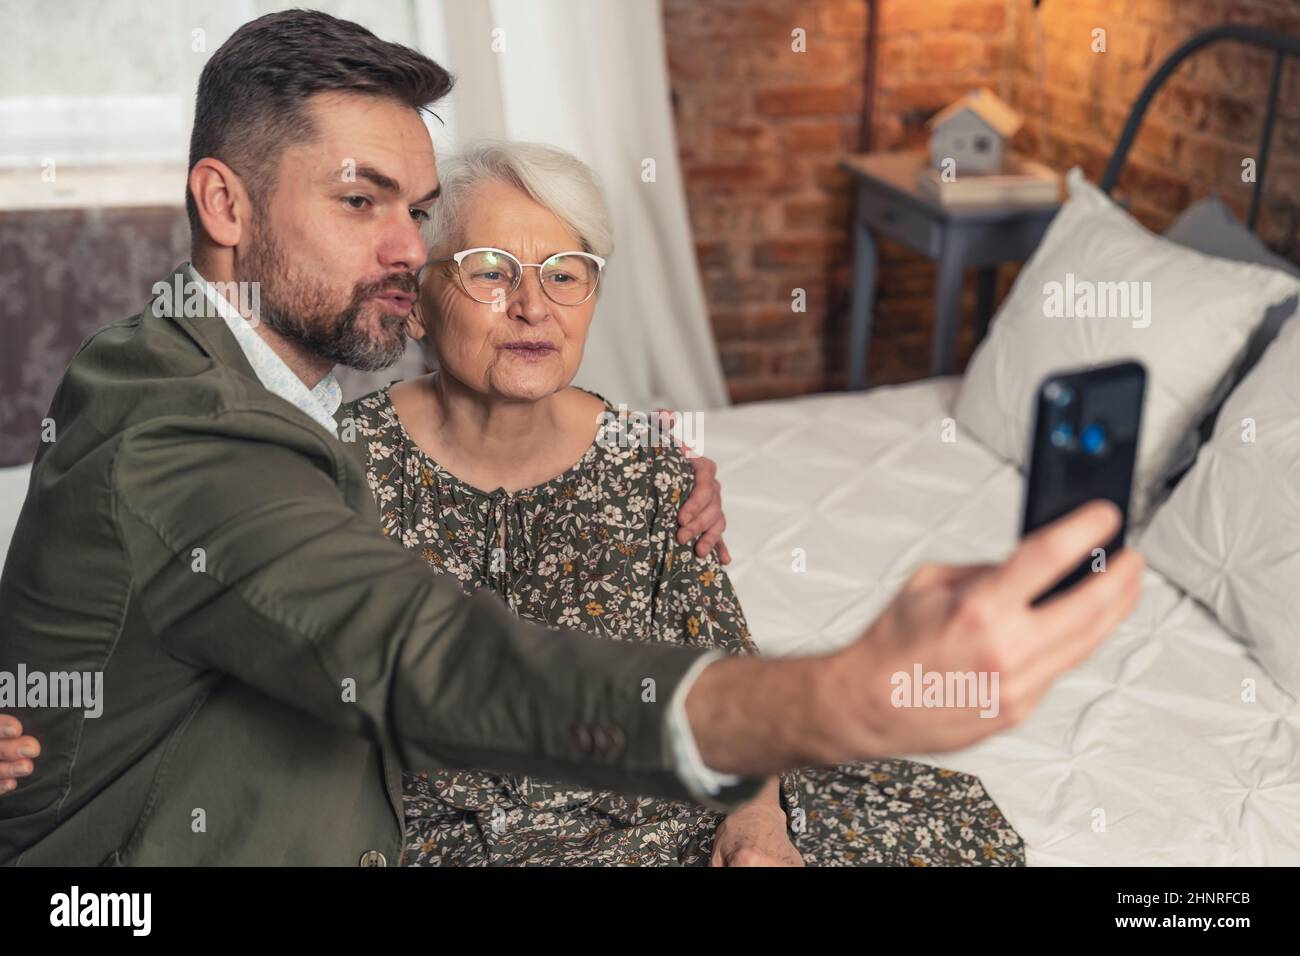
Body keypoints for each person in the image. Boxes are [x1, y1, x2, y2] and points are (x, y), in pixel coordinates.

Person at [0, 11, 1143, 866]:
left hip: (582, 791)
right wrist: (838, 691)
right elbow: (426, 657)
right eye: (361, 202)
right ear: (226, 203)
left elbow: (119, 592)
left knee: (943, 817)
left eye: (413, 206)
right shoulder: (204, 429)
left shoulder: (229, 381)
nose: (405, 245)